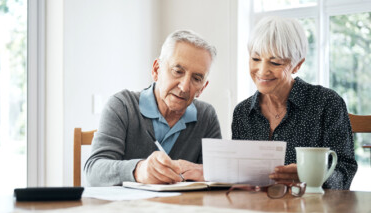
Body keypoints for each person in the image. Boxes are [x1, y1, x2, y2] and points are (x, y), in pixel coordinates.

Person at [231, 16, 357, 190]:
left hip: (311, 209)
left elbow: (345, 172)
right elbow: (240, 175)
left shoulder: (327, 103)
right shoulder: (242, 112)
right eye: (255, 59)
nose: (262, 71)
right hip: (256, 209)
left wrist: (311, 175)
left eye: (275, 62)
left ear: (297, 65)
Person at [85, 30, 221, 186]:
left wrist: (207, 172)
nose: (184, 87)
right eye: (177, 71)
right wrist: (139, 170)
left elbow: (216, 176)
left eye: (196, 78)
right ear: (156, 70)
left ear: (202, 88)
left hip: (184, 207)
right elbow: (93, 172)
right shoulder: (122, 105)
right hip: (126, 209)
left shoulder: (206, 116)